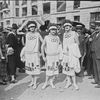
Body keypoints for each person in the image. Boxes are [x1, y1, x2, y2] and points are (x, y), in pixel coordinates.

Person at [20, 21, 43, 89]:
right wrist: (24, 54)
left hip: (35, 53)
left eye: (33, 27)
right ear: (28, 28)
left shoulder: (37, 34)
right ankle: (32, 81)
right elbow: (26, 44)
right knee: (30, 69)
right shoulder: (27, 34)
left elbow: (43, 41)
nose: (32, 28)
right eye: (30, 27)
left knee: (35, 69)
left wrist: (41, 51)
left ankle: (35, 83)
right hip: (28, 53)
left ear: (35, 27)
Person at [62, 20, 81, 90]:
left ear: (71, 27)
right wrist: (64, 51)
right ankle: (68, 82)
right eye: (65, 26)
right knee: (66, 68)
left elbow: (78, 43)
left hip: (72, 54)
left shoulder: (74, 33)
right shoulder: (64, 34)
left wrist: (71, 48)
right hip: (66, 54)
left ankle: (75, 83)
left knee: (72, 68)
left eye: (68, 26)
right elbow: (64, 44)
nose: (66, 27)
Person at [41, 23, 62, 89]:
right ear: (49, 30)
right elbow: (42, 47)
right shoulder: (46, 37)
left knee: (55, 70)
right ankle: (46, 82)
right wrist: (43, 56)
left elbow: (60, 46)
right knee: (49, 70)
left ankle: (51, 82)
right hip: (49, 56)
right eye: (52, 30)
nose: (53, 31)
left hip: (56, 56)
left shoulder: (57, 37)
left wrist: (60, 57)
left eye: (55, 30)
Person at [91, 21, 100, 88]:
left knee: (99, 69)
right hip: (94, 53)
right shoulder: (94, 34)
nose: (97, 28)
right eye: (96, 26)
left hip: (99, 54)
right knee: (95, 68)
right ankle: (96, 80)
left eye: (99, 26)